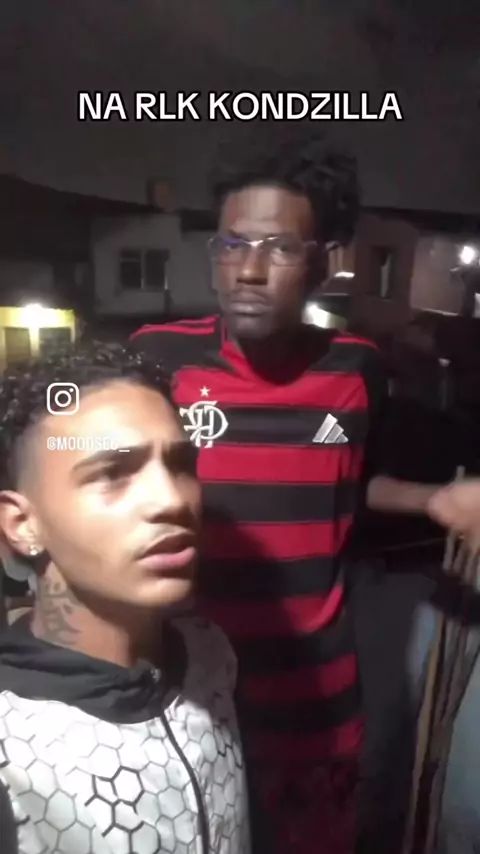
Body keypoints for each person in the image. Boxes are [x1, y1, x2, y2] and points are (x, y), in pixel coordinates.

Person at [130, 126, 479, 854]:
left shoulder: (358, 370)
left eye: (280, 248)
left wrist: (432, 501)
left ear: (323, 261)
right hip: (188, 693)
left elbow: (349, 483)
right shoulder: (158, 360)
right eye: (232, 244)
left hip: (315, 698)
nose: (250, 270)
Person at [0, 342, 250, 854]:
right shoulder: (12, 745)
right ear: (23, 524)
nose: (172, 500)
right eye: (112, 473)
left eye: (180, 464)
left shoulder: (211, 659)